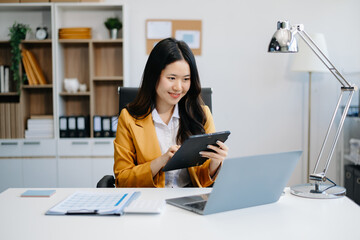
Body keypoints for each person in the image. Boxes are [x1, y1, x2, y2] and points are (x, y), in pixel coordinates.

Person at [113, 38, 228, 188]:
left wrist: (216, 162)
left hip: (189, 202)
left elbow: (202, 181)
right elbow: (122, 180)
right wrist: (160, 162)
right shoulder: (129, 119)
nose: (178, 87)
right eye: (171, 78)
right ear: (154, 76)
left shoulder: (201, 115)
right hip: (149, 201)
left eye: (186, 79)